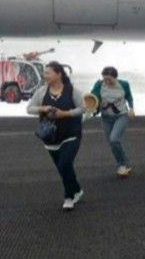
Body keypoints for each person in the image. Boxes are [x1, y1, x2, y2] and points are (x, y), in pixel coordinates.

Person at [27, 61, 85, 210]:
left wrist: (64, 114)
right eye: (45, 73)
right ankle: (77, 189)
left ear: (58, 74)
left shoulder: (72, 90)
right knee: (63, 168)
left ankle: (68, 197)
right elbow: (29, 109)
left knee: (65, 164)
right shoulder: (41, 91)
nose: (45, 75)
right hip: (50, 136)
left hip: (71, 133)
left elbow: (82, 108)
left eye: (48, 72)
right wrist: (43, 108)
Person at [91, 66, 135, 178]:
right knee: (112, 143)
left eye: (109, 79)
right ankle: (125, 163)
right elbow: (93, 97)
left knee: (114, 139)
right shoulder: (99, 84)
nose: (107, 81)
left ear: (115, 77)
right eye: (105, 79)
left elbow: (129, 96)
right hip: (106, 117)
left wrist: (131, 108)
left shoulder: (124, 84)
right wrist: (91, 107)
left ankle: (122, 165)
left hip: (121, 115)